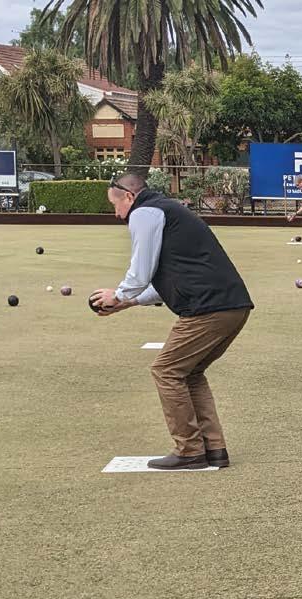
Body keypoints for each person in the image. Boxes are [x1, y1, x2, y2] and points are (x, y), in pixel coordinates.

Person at [90, 174, 254, 470]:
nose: (116, 214)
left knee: (165, 370)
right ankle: (214, 449)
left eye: (115, 206)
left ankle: (189, 450)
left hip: (207, 308)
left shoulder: (144, 212)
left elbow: (141, 270)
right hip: (233, 306)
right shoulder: (168, 211)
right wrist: (125, 303)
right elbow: (167, 281)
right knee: (190, 373)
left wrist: (118, 295)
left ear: (129, 196)